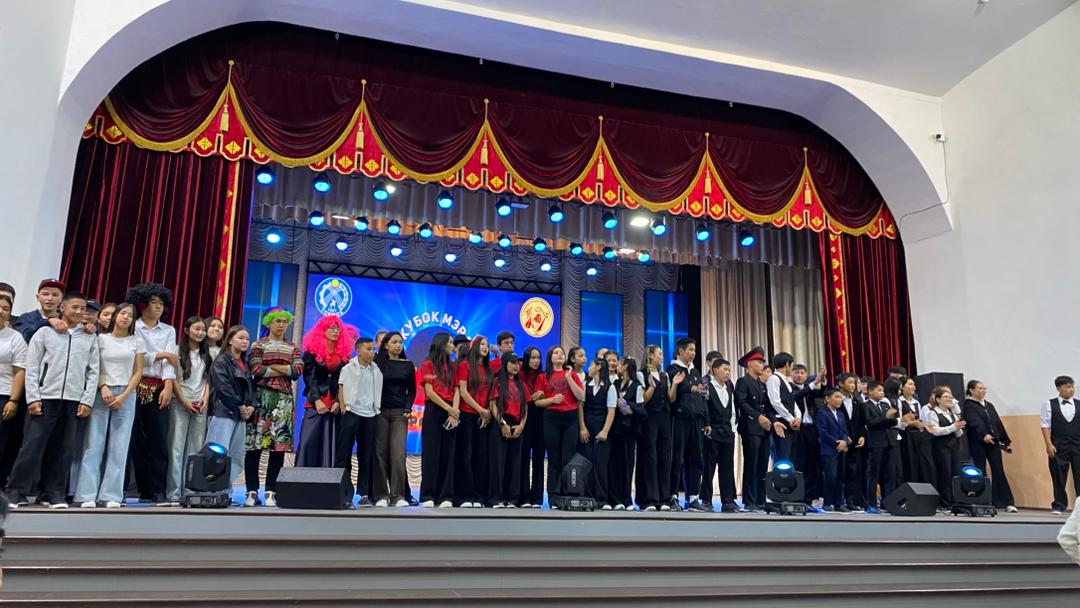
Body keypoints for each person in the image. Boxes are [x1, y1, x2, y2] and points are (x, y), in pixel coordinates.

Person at [4, 292, 99, 508]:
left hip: (73, 400)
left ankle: (53, 492)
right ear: (62, 308)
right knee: (32, 446)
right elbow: (32, 366)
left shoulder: (89, 337)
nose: (79, 312)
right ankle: (15, 491)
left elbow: (93, 371)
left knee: (64, 449)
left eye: (82, 308)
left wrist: (86, 400)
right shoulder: (45, 332)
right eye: (74, 307)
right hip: (45, 398)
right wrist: (33, 398)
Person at [75, 302, 144, 508]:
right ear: (114, 316)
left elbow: (138, 372)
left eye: (130, 315)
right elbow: (95, 366)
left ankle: (111, 495)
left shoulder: (136, 341)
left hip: (126, 394)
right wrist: (103, 386)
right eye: (122, 313)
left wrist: (124, 396)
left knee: (119, 447)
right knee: (93, 444)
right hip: (101, 393)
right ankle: (86, 494)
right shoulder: (100, 339)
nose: (125, 317)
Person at [245, 308, 303, 507]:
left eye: (284, 322)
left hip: (284, 400)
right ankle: (252, 491)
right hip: (261, 398)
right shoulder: (258, 344)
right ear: (269, 323)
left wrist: (271, 366)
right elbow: (256, 369)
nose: (281, 325)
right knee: (254, 446)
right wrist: (284, 368)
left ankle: (271, 490)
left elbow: (297, 370)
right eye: (277, 321)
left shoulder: (292, 346)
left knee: (279, 447)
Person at [126, 282, 178, 506]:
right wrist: (160, 354)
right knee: (132, 439)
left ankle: (158, 491)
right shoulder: (133, 327)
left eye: (161, 304)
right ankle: (138, 488)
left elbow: (171, 360)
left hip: (158, 386)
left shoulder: (168, 330)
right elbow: (134, 355)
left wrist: (168, 386)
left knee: (158, 441)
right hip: (133, 384)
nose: (158, 307)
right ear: (142, 304)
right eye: (153, 303)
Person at [297, 315, 356, 468]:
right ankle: (304, 477)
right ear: (322, 330)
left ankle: (330, 478)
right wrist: (316, 400)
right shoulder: (311, 352)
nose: (335, 331)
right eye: (331, 328)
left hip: (335, 405)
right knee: (308, 441)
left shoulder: (344, 354)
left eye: (338, 328)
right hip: (315, 402)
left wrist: (338, 401)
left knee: (334, 443)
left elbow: (344, 381)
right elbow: (309, 378)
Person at [167, 316, 211, 505]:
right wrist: (184, 400)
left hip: (200, 405)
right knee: (176, 448)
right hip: (180, 402)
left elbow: (207, 380)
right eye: (197, 329)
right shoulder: (176, 351)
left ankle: (191, 490)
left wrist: (205, 399)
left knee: (195, 449)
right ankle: (174, 493)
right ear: (186, 330)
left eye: (203, 330)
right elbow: (173, 379)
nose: (201, 333)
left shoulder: (207, 354)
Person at [205, 325, 254, 490]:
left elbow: (250, 388)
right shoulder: (222, 361)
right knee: (217, 453)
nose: (245, 341)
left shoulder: (245, 363)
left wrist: (251, 406)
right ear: (231, 340)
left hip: (240, 415)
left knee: (236, 456)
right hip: (223, 412)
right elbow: (223, 387)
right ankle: (212, 489)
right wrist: (239, 404)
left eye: (247, 339)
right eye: (241, 338)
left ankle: (226, 490)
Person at [337, 336, 382, 508]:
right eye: (368, 349)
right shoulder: (348, 368)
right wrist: (344, 407)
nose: (372, 352)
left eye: (373, 349)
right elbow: (341, 387)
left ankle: (364, 494)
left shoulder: (376, 370)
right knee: (343, 454)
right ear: (358, 351)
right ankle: (342, 493)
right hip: (351, 413)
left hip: (369, 415)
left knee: (365, 456)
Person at [373, 331, 415, 508]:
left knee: (398, 455)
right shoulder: (377, 364)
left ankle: (398, 496)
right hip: (379, 412)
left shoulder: (408, 365)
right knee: (380, 453)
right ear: (386, 345)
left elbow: (411, 390)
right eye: (394, 342)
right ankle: (381, 495)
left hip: (399, 414)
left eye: (400, 342)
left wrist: (408, 407)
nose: (398, 345)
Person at [962, 380, 1016, 512]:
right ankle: (983, 500)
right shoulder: (968, 405)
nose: (983, 391)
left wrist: (1004, 439)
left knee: (998, 470)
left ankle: (1005, 501)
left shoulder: (989, 405)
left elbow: (997, 422)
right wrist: (983, 434)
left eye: (984, 388)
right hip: (978, 443)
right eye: (980, 388)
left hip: (993, 442)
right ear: (971, 390)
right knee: (980, 470)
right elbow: (974, 422)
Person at [419, 332, 458, 508]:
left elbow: (457, 390)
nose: (453, 346)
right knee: (431, 453)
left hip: (451, 410)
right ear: (441, 344)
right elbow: (430, 392)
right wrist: (449, 409)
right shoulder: (428, 364)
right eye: (450, 342)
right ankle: (428, 494)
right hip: (434, 409)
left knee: (448, 454)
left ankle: (446, 496)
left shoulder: (453, 366)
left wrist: (454, 411)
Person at [667, 337, 706, 512]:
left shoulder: (695, 371)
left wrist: (705, 420)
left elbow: (701, 396)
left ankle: (693, 498)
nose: (693, 353)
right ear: (680, 351)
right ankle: (672, 496)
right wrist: (691, 388)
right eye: (690, 350)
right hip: (679, 419)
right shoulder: (672, 369)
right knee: (677, 459)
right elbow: (678, 389)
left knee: (696, 460)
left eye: (694, 350)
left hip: (696, 421)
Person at [542, 346, 584, 507]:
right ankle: (553, 496)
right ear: (550, 357)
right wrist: (552, 400)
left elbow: (581, 396)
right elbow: (537, 402)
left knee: (568, 458)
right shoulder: (544, 376)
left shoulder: (571, 374)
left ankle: (567, 495)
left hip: (570, 418)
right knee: (554, 459)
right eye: (556, 353)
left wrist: (568, 377)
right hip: (551, 417)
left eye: (562, 353)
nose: (560, 355)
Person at [455, 335, 494, 507]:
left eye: (487, 345)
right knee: (466, 455)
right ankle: (465, 496)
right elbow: (463, 392)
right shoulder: (464, 366)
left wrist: (486, 414)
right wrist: (480, 410)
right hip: (468, 415)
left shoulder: (488, 369)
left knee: (482, 456)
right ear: (474, 346)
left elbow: (491, 394)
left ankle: (479, 496)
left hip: (484, 417)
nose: (486, 347)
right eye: (482, 344)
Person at [638, 345, 675, 511]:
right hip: (649, 418)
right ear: (650, 356)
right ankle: (649, 499)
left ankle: (663, 498)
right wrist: (652, 387)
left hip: (664, 418)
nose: (662, 356)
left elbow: (670, 398)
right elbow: (643, 400)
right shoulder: (641, 374)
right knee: (650, 457)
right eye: (659, 354)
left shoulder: (664, 375)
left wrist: (675, 384)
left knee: (664, 457)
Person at [489, 352, 527, 508]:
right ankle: (496, 497)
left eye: (517, 363)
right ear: (505, 364)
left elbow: (525, 406)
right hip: (501, 423)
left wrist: (522, 425)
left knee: (515, 462)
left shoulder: (521, 384)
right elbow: (492, 404)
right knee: (499, 461)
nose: (516, 366)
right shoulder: (498, 381)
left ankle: (512, 498)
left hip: (517, 425)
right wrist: (502, 423)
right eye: (512, 363)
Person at [579, 357, 617, 509]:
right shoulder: (585, 384)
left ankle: (602, 499)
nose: (589, 367)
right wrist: (582, 427)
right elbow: (580, 407)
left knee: (601, 464)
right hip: (587, 428)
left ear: (599, 366)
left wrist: (605, 431)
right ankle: (588, 497)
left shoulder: (610, 387)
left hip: (602, 428)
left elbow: (611, 411)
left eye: (591, 365)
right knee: (587, 462)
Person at [735, 346, 769, 511]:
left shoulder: (761, 384)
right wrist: (757, 416)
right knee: (751, 464)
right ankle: (749, 501)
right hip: (750, 427)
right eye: (759, 362)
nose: (762, 365)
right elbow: (741, 403)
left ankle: (761, 499)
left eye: (762, 362)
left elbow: (766, 406)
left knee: (762, 466)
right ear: (749, 364)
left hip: (764, 429)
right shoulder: (743, 382)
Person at [701, 357, 737, 513]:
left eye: (729, 370)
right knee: (709, 468)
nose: (727, 373)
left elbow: (733, 409)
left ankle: (727, 501)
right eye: (725, 369)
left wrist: (733, 428)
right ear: (715, 370)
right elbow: (705, 408)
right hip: (712, 432)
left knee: (727, 468)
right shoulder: (707, 386)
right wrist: (707, 425)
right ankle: (706, 500)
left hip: (728, 432)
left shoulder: (729, 387)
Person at [922, 385, 967, 509]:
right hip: (941, 448)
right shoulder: (933, 413)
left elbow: (958, 433)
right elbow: (935, 431)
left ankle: (955, 500)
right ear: (938, 399)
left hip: (954, 447)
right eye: (946, 397)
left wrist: (958, 428)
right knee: (944, 473)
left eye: (950, 397)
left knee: (955, 473)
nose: (949, 399)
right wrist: (953, 427)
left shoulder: (952, 414)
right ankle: (945, 502)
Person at [1042, 376, 1080, 515]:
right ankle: (1059, 505)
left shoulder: (1079, 403)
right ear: (1059, 388)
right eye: (1068, 387)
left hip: (1077, 444)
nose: (1071, 389)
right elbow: (1045, 425)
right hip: (1058, 445)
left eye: (1072, 386)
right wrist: (1048, 444)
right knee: (1058, 476)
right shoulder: (1049, 404)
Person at [0, 295, 27, 488]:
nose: (1, 311)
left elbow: (19, 371)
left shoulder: (15, 337)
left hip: (3, 395)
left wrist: (14, 400)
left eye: (5, 309)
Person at [791, 363, 826, 507]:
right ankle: (798, 497)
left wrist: (822, 380)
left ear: (806, 375)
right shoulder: (789, 388)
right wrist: (813, 383)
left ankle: (810, 497)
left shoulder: (810, 389)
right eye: (796, 372)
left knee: (812, 464)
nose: (799, 375)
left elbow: (822, 394)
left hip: (812, 429)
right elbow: (797, 396)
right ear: (791, 374)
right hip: (798, 429)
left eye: (802, 373)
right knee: (799, 464)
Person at [610, 356, 643, 510]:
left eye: (620, 364)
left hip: (629, 430)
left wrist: (627, 407)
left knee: (628, 464)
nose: (617, 366)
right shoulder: (615, 384)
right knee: (615, 464)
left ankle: (627, 499)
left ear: (625, 367)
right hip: (615, 429)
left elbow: (640, 408)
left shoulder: (636, 386)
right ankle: (616, 499)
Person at [518, 346, 547, 508]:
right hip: (524, 419)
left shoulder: (543, 376)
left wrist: (539, 397)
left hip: (540, 420)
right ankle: (523, 496)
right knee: (523, 457)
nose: (536, 361)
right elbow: (519, 396)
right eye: (533, 358)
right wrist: (532, 397)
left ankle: (537, 497)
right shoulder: (520, 375)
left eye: (538, 358)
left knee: (538, 458)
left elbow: (547, 395)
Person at [863, 380, 898, 512]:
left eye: (883, 390)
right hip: (876, 443)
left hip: (889, 441)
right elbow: (870, 423)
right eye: (879, 390)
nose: (882, 393)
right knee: (874, 474)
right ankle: (871, 504)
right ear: (870, 391)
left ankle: (887, 502)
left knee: (890, 474)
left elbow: (892, 422)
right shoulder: (865, 405)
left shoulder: (884, 404)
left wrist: (893, 417)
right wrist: (885, 417)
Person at [815, 388, 851, 512]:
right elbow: (823, 432)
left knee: (840, 477)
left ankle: (838, 503)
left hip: (841, 450)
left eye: (840, 397)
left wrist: (844, 441)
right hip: (828, 449)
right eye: (836, 397)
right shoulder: (822, 412)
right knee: (831, 477)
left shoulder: (840, 414)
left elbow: (845, 431)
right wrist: (837, 443)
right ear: (827, 399)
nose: (839, 400)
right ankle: (827, 502)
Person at [837, 373, 868, 512]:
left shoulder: (857, 401)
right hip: (839, 442)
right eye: (850, 382)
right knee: (839, 472)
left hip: (854, 442)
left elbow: (861, 422)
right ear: (841, 384)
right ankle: (837, 501)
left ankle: (851, 501)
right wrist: (843, 437)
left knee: (853, 472)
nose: (853, 385)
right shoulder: (836, 399)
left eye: (854, 383)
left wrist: (862, 436)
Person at [897, 376, 935, 486]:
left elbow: (920, 419)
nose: (913, 387)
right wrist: (912, 423)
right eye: (909, 384)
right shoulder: (899, 401)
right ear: (902, 387)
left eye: (913, 384)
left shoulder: (916, 402)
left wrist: (922, 425)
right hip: (905, 435)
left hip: (917, 436)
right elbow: (899, 421)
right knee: (909, 463)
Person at [765, 352, 801, 463]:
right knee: (782, 459)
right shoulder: (774, 379)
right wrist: (791, 419)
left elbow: (792, 402)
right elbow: (775, 402)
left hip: (791, 424)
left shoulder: (786, 381)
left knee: (791, 459)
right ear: (786, 364)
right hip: (782, 423)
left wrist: (798, 417)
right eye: (791, 365)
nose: (792, 368)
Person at [12, 278, 65, 344]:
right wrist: (48, 322)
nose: (50, 298)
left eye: (55, 295)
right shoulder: (26, 318)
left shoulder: (66, 319)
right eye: (45, 294)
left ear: (61, 299)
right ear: (37, 297)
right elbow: (22, 338)